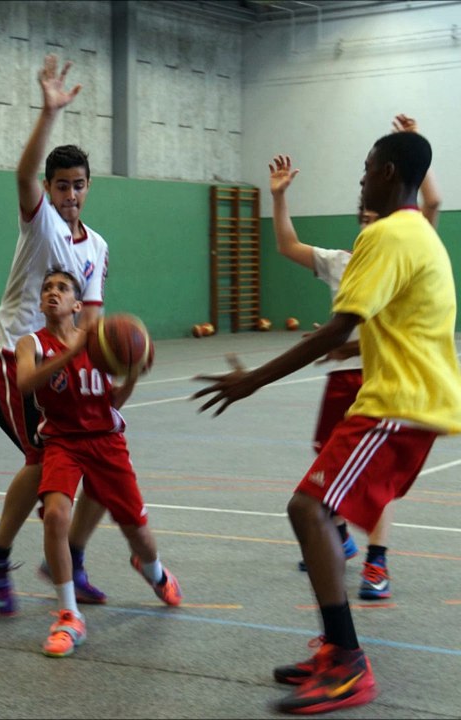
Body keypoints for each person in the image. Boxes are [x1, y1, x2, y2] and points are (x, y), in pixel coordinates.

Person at [194, 130, 461, 714]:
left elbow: (339, 329)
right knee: (314, 509)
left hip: (400, 405)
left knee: (308, 508)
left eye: (367, 169)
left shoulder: (389, 234)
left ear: (389, 172)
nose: (361, 179)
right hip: (396, 401)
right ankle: (337, 647)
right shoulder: (415, 234)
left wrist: (250, 382)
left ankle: (348, 662)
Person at [270, 114, 442, 601]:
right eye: (363, 219)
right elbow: (285, 244)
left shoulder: (406, 242)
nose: (370, 221)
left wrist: (411, 145)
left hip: (387, 380)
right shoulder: (341, 261)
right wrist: (280, 196)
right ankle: (337, 537)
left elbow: (433, 201)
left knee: (368, 478)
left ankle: (377, 561)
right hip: (345, 377)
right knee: (328, 463)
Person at [0, 55, 112, 616]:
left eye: (78, 186)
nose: (70, 195)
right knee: (42, 459)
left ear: (87, 187)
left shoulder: (97, 245)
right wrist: (48, 112)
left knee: (105, 457)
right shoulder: (42, 222)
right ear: (51, 189)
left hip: (64, 362)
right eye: (61, 186)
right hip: (15, 356)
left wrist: (104, 368)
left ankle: (71, 557)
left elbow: (93, 317)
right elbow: (23, 175)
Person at [17, 269, 181, 658]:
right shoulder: (32, 344)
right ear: (41, 302)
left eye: (62, 288)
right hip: (63, 442)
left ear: (78, 305)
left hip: (107, 442)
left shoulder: (101, 342)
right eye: (47, 288)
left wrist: (134, 375)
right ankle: (69, 615)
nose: (52, 293)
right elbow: (26, 384)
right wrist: (71, 354)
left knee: (139, 534)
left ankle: (153, 570)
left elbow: (111, 406)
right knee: (55, 515)